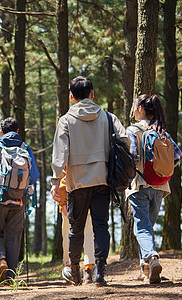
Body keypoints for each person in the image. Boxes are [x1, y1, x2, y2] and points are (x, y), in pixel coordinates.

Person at [50, 76, 129, 286]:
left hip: (77, 182)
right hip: (102, 179)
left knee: (76, 227)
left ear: (71, 97)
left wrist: (56, 181)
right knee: (101, 225)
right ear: (92, 94)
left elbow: (60, 153)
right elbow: (125, 141)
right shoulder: (108, 118)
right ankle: (100, 272)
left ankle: (74, 270)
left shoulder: (66, 120)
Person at [0, 117, 39, 284]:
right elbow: (35, 175)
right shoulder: (25, 148)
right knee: (14, 236)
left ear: (1, 132)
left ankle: (1, 261)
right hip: (19, 200)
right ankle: (10, 277)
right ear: (17, 131)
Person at [125, 94, 182, 284]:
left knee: (141, 226)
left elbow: (132, 158)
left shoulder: (133, 130)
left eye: (134, 107)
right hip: (160, 186)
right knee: (147, 226)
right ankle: (146, 270)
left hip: (140, 184)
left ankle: (151, 256)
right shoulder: (161, 130)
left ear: (140, 109)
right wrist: (161, 170)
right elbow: (177, 155)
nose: (132, 110)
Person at [52, 168, 95, 285]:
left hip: (71, 197)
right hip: (92, 193)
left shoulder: (69, 150)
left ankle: (70, 268)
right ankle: (89, 270)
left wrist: (63, 202)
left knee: (68, 234)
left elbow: (64, 176)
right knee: (89, 233)